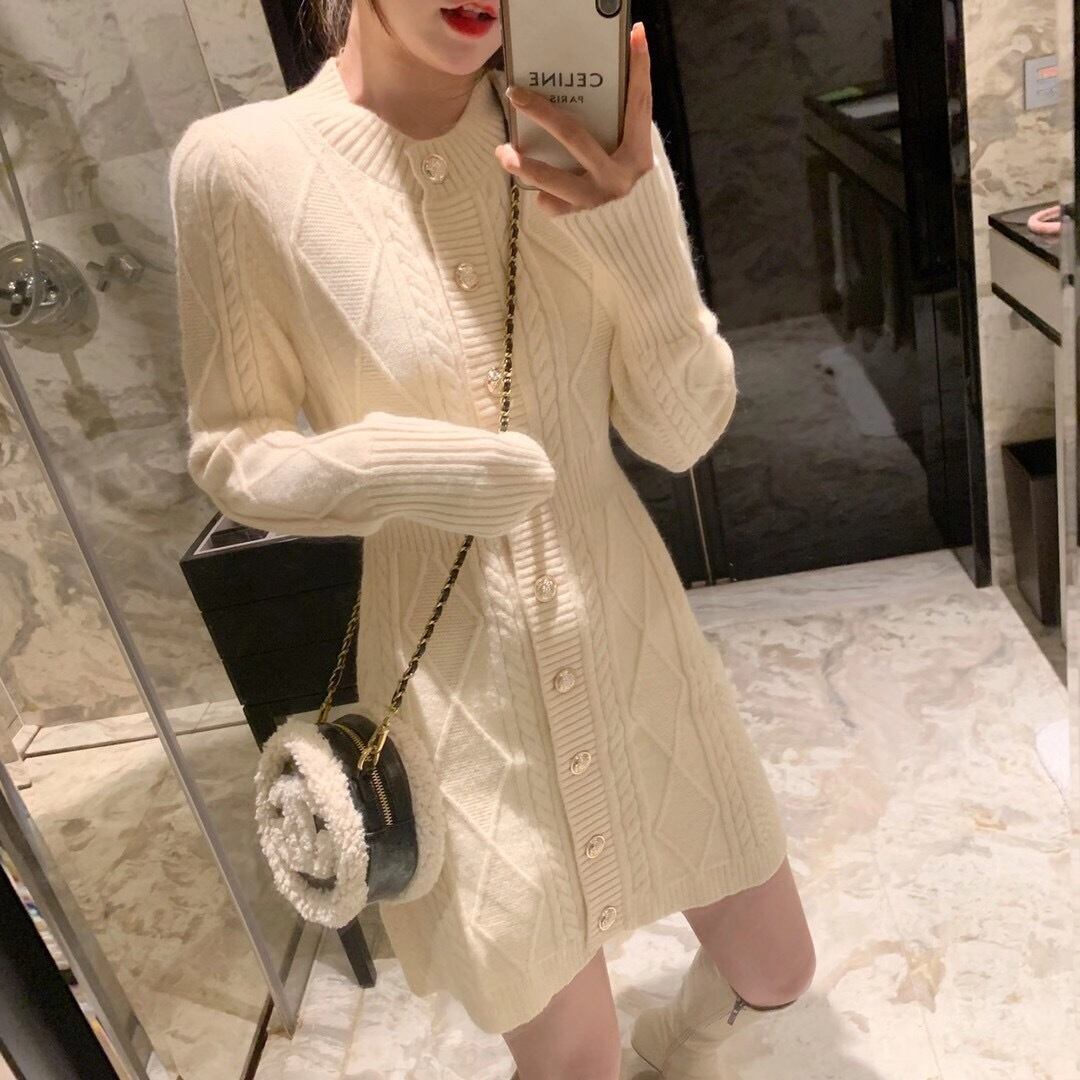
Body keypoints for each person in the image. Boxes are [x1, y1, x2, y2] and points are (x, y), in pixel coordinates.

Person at [167, 0, 816, 1076]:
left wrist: (635, 217)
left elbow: (680, 430)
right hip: (458, 696)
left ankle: (679, 1050)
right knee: (572, 1062)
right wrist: (404, 469)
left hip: (634, 646)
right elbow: (233, 452)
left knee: (778, 969)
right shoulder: (241, 167)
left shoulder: (585, 131)